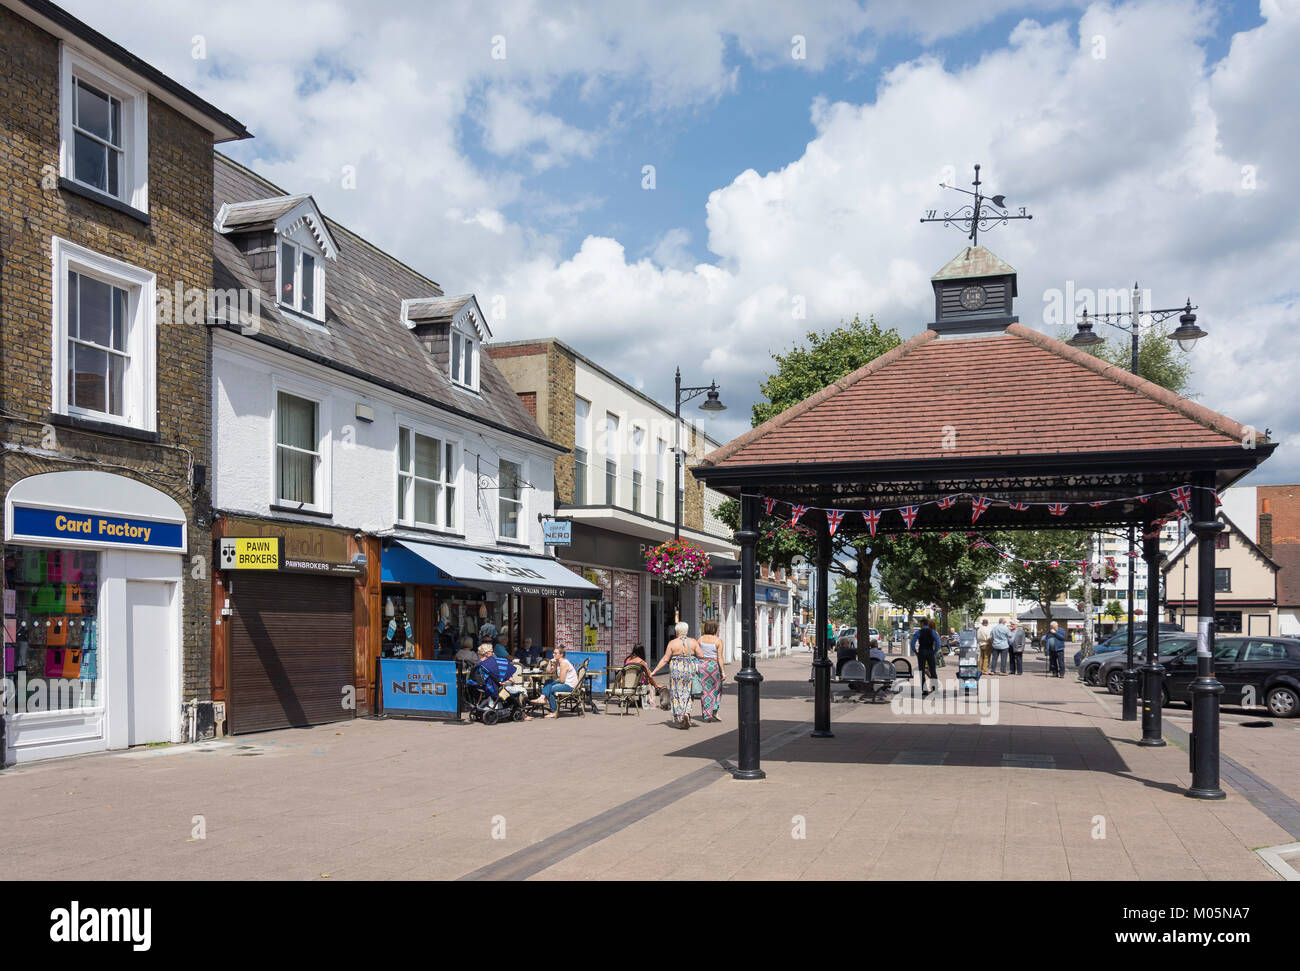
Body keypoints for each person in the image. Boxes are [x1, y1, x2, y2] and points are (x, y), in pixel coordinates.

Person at [649, 621, 706, 729]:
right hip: (689, 670)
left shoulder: (672, 643)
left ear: (676, 631)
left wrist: (654, 671)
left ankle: (679, 720)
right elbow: (701, 655)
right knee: (689, 693)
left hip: (676, 670)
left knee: (676, 694)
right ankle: (687, 713)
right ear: (687, 631)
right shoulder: (693, 641)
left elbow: (665, 659)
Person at [475, 644, 531, 720]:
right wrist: (505, 680)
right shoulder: (491, 663)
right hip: (497, 690)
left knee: (510, 690)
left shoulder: (479, 664)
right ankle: (523, 713)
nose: (493, 653)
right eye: (491, 651)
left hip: (486, 688)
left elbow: (489, 678)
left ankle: (513, 709)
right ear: (486, 653)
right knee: (522, 690)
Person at [535, 645, 579, 718]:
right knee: (548, 681)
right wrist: (549, 662)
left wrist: (555, 681)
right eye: (553, 653)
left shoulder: (563, 663)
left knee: (551, 689)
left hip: (570, 686)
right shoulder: (558, 662)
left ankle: (554, 711)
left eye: (555, 653)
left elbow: (562, 680)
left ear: (561, 655)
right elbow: (549, 671)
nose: (553, 654)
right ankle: (542, 697)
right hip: (565, 683)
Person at [696, 619, 727, 722]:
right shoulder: (718, 641)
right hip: (714, 666)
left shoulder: (700, 639)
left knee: (704, 690)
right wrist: (723, 671)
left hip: (702, 666)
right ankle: (714, 710)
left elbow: (697, 654)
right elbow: (720, 657)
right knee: (717, 689)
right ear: (715, 628)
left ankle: (706, 715)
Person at [913, 618, 939, 694]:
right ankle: (935, 688)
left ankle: (924, 690)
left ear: (922, 623)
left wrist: (915, 651)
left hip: (922, 651)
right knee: (933, 670)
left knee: (922, 670)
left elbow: (912, 643)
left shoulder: (918, 632)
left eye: (920, 624)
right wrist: (934, 651)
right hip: (930, 651)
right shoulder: (933, 632)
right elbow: (937, 643)